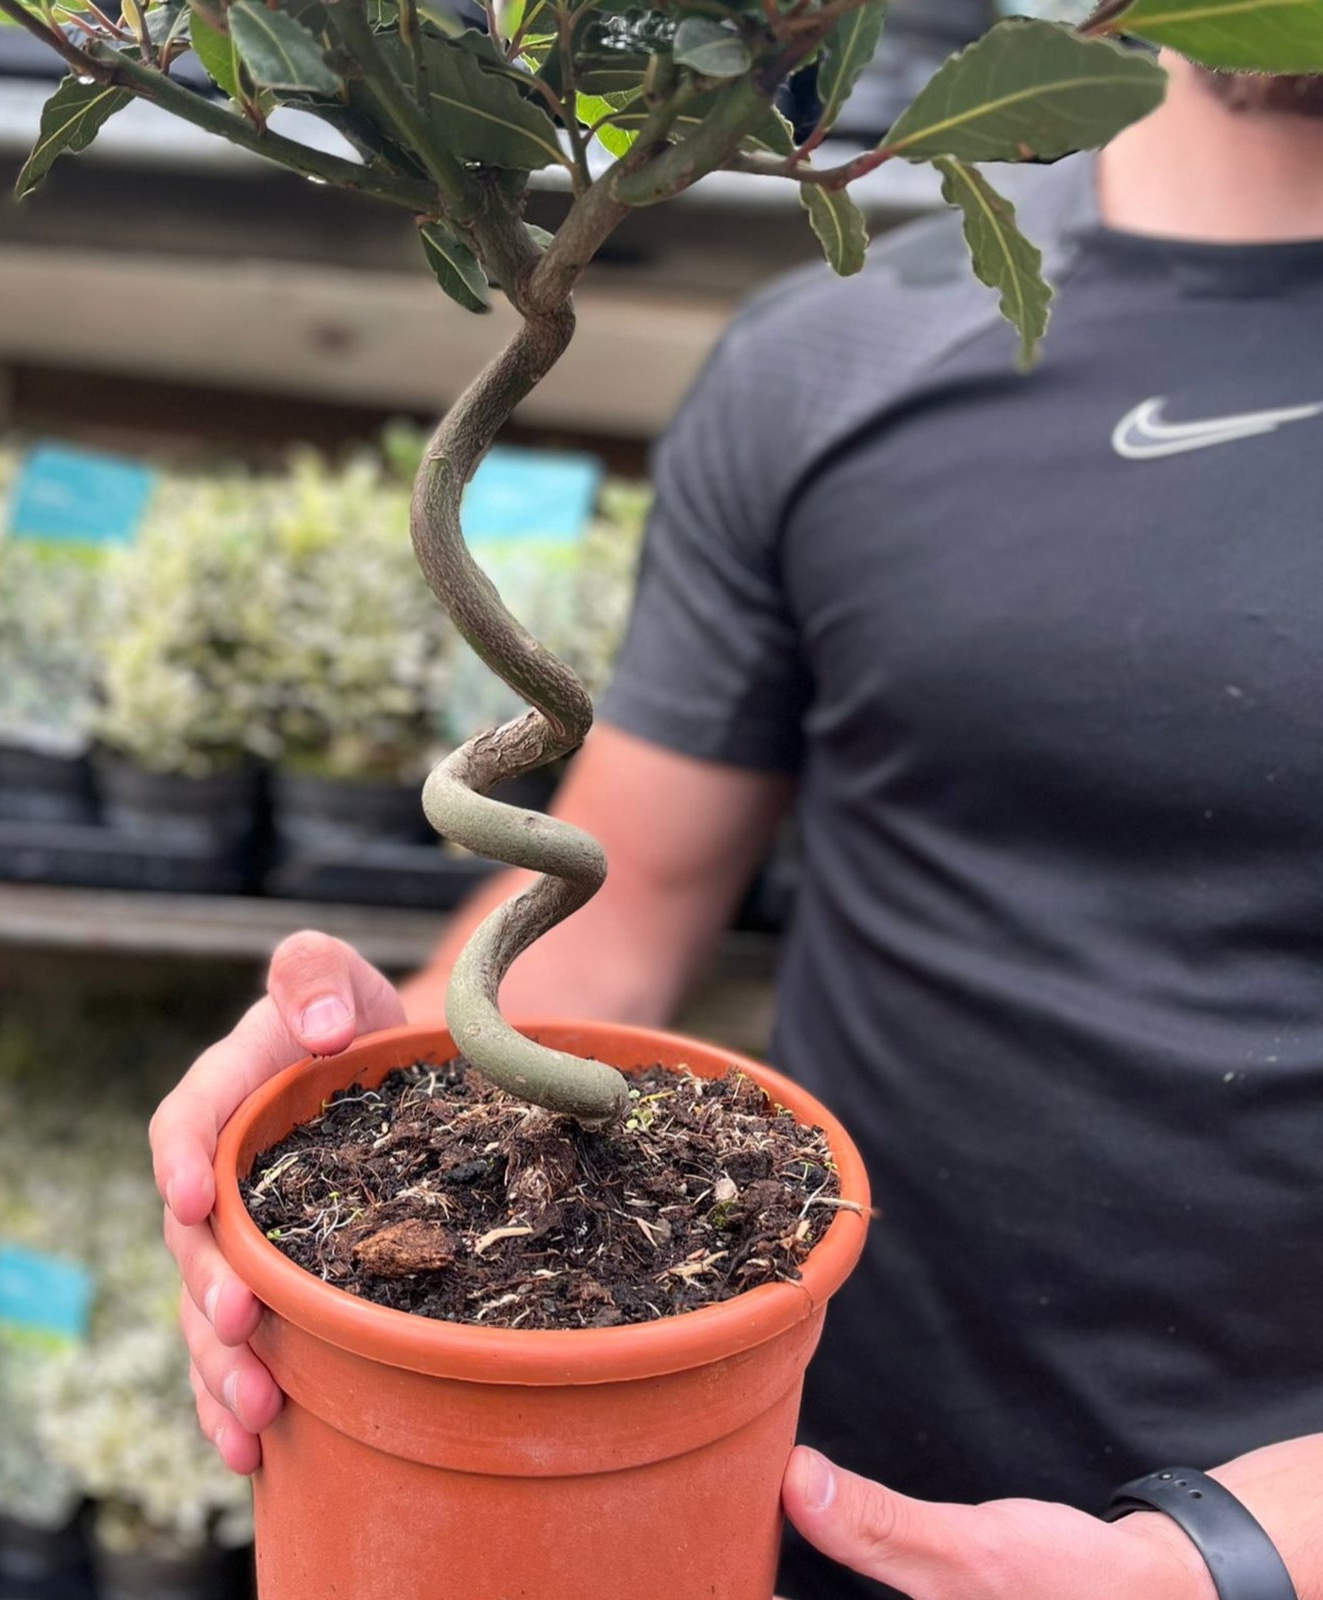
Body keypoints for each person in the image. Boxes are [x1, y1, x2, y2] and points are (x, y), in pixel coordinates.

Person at [149, 50, 1323, 1600]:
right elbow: (621, 915)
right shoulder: (830, 364)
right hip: (775, 1488)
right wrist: (374, 1102)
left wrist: (1244, 1562)